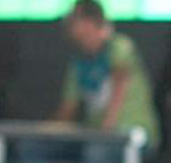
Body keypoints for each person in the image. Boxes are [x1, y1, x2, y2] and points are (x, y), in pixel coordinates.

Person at [53, 0, 160, 151]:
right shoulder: (78, 64)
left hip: (133, 135)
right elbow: (68, 108)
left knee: (97, 155)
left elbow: (120, 84)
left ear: (89, 23)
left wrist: (106, 132)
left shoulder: (120, 46)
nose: (69, 25)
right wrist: (49, 133)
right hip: (99, 138)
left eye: (74, 19)